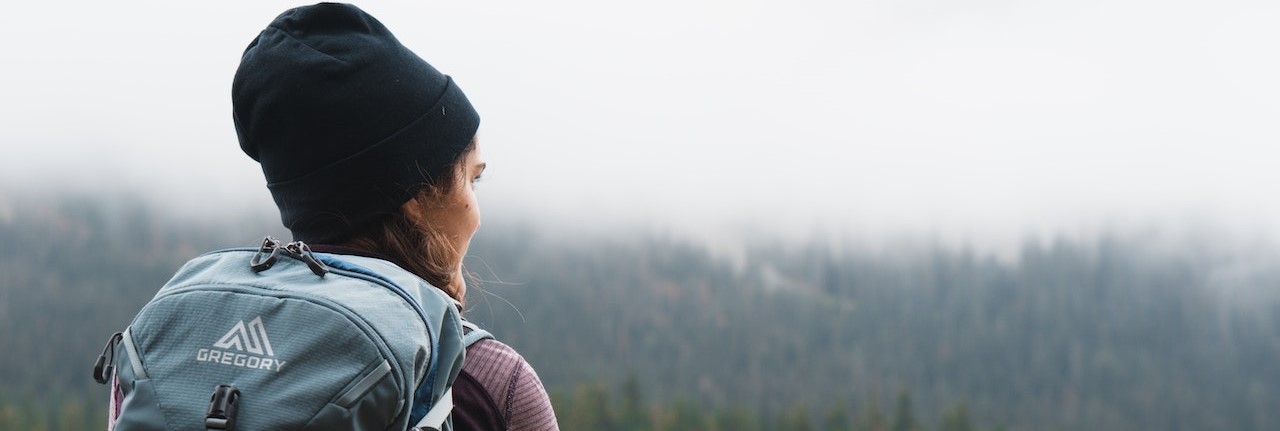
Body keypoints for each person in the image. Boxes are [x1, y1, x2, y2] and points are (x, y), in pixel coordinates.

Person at [108, 3, 558, 430]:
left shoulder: (168, 353)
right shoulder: (490, 383)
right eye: (471, 180)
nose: (476, 215)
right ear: (416, 195)